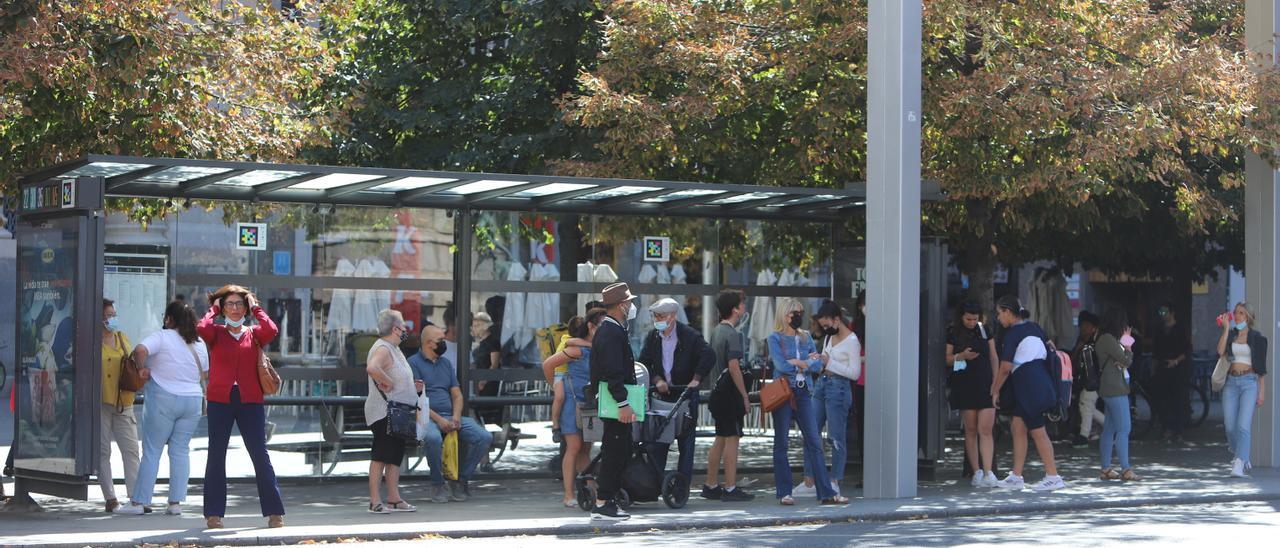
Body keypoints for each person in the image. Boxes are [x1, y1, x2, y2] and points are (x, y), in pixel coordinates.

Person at [198, 285, 285, 529]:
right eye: (229, 304)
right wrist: (213, 309)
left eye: (239, 304)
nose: (235, 309)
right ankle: (214, 514)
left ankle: (274, 512)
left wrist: (255, 306)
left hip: (250, 401)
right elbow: (201, 327)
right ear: (222, 307)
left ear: (245, 307)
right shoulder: (215, 332)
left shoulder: (255, 334)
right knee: (216, 456)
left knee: (260, 454)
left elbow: (271, 328)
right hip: (220, 401)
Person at [115, 301, 209, 516]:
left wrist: (141, 370)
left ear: (169, 319)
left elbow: (140, 349)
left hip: (163, 398)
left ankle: (139, 502)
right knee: (180, 451)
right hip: (192, 400)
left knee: (152, 451)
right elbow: (204, 373)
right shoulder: (200, 343)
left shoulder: (162, 336)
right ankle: (175, 503)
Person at [768, 298, 848, 505]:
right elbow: (780, 365)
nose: (799, 316)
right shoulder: (774, 338)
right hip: (785, 393)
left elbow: (817, 365)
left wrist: (801, 363)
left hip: (804, 393)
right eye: (796, 312)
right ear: (785, 314)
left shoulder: (805, 337)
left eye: (800, 312)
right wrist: (806, 363)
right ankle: (784, 492)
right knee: (781, 443)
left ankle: (826, 493)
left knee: (814, 442)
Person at [410, 323, 493, 504]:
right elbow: (418, 400)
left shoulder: (446, 363)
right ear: (429, 343)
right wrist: (440, 420)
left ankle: (460, 480)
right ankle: (437, 484)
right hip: (427, 417)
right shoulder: (413, 363)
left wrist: (455, 417)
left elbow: (457, 394)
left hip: (450, 415)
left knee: (484, 437)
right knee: (433, 438)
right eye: (441, 340)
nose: (444, 343)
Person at [989, 295, 1065, 492]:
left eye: (999, 314)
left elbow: (1005, 367)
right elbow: (1052, 349)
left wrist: (995, 390)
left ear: (1007, 312)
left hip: (1029, 385)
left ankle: (1053, 475)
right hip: (1040, 381)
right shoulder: (1035, 327)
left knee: (1038, 430)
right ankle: (1016, 476)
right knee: (1017, 427)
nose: (998, 318)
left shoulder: (1012, 334)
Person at [639, 298, 714, 484]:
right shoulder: (653, 337)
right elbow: (644, 361)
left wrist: (696, 380)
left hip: (684, 394)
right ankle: (654, 485)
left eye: (661, 316)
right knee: (658, 442)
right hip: (662, 396)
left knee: (686, 445)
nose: (657, 320)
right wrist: (657, 379)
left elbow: (709, 354)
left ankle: (682, 487)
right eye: (655, 316)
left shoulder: (689, 335)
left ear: (672, 316)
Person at [542, 309, 606, 507]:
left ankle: (589, 489)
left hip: (589, 402)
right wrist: (554, 385)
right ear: (591, 326)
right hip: (572, 401)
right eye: (602, 324)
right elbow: (548, 364)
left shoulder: (596, 348)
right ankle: (568, 494)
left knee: (585, 448)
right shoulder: (577, 350)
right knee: (574, 447)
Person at [588, 283, 641, 520]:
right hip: (615, 403)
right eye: (629, 302)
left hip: (614, 401)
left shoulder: (612, 329)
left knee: (620, 449)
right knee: (614, 450)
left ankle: (607, 499)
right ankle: (602, 502)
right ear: (621, 305)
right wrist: (622, 403)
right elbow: (613, 371)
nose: (631, 306)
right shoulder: (611, 331)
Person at [798, 300, 861, 495]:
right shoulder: (828, 338)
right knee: (810, 432)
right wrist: (814, 361)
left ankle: (835, 480)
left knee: (835, 437)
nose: (825, 329)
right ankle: (809, 480)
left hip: (839, 388)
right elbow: (824, 362)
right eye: (823, 326)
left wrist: (830, 362)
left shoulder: (852, 341)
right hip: (822, 384)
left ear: (837, 319)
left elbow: (855, 373)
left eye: (827, 325)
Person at [362, 309, 420, 514]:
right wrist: (387, 381)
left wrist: (412, 387)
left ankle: (394, 498)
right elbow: (372, 368)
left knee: (395, 455)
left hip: (398, 411)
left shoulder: (394, 348)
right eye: (403, 325)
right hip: (384, 411)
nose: (405, 329)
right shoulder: (384, 348)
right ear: (395, 328)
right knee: (381, 455)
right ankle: (375, 501)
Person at [704, 289, 754, 502]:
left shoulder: (717, 331)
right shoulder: (733, 334)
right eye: (742, 303)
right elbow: (734, 366)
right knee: (732, 440)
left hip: (717, 392)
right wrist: (744, 395)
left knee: (720, 439)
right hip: (729, 394)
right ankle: (731, 487)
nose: (744, 307)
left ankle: (711, 484)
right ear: (735, 309)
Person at [944, 301, 998, 488]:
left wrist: (996, 382)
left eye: (975, 319)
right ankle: (976, 471)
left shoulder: (984, 330)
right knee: (971, 429)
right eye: (968, 319)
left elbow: (993, 356)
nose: (972, 322)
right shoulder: (953, 332)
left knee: (986, 429)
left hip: (985, 383)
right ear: (961, 316)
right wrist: (962, 356)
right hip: (964, 382)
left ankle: (989, 471)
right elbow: (947, 359)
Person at [1216, 302, 1268, 478]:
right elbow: (1220, 351)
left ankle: (1239, 462)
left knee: (1243, 426)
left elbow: (1261, 368)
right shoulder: (1231, 335)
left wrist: (1262, 391)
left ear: (1248, 317)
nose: (1237, 316)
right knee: (1230, 427)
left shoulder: (1257, 338)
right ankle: (1241, 454)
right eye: (1236, 313)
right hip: (1231, 382)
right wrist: (1225, 329)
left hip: (1249, 382)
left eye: (1241, 314)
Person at [100, 299, 141, 514]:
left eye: (114, 314)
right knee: (102, 451)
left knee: (131, 450)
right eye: (109, 315)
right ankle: (110, 498)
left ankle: (135, 498)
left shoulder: (121, 338)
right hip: (100, 403)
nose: (113, 318)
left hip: (124, 402)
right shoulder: (89, 341)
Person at [1096, 306, 1137, 481]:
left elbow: (1123, 362)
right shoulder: (1108, 339)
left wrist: (1123, 356)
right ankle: (1126, 469)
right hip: (1115, 389)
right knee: (1124, 428)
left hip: (1109, 388)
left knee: (1109, 429)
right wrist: (1127, 346)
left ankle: (1105, 469)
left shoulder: (1104, 337)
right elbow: (1127, 360)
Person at [1152, 304, 1192, 443]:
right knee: (1164, 400)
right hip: (1163, 368)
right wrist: (1155, 365)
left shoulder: (1180, 329)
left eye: (1165, 311)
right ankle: (1167, 428)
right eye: (1160, 311)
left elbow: (1187, 349)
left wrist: (1176, 361)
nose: (1162, 314)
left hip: (1178, 369)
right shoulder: (1159, 329)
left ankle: (1178, 430)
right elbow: (1155, 350)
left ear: (1172, 312)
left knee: (1178, 400)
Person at [1070, 311, 1105, 448]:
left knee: (1086, 405)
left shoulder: (1098, 341)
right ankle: (1110, 428)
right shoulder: (1083, 341)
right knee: (1086, 406)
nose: (1083, 328)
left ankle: (1084, 436)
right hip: (1086, 380)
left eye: (1086, 325)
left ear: (1094, 327)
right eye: (1081, 325)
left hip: (1094, 380)